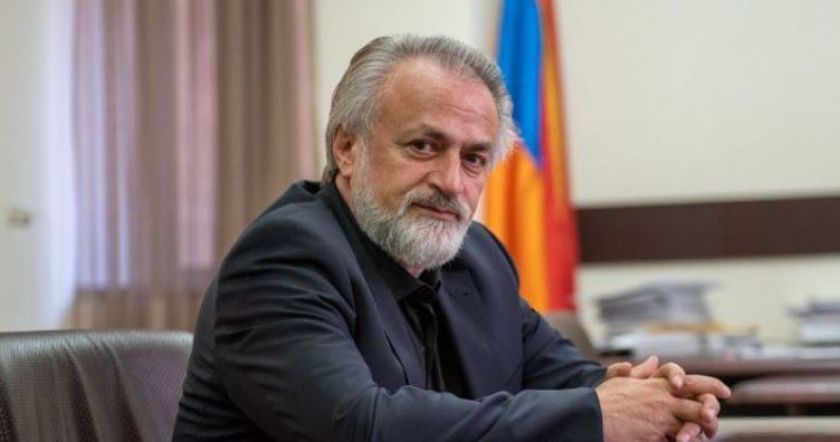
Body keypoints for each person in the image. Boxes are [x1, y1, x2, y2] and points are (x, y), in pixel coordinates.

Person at [174, 34, 730, 442]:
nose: (451, 182)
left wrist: (657, 397)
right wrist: (600, 416)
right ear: (347, 148)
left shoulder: (476, 258)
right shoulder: (285, 257)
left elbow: (565, 377)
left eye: (474, 158)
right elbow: (360, 427)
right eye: (423, 146)